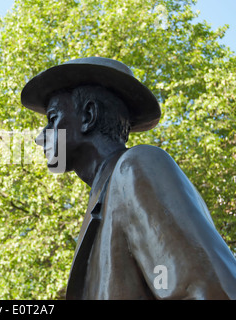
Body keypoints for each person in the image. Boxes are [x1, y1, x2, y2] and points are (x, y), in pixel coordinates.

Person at [20, 57, 236, 299]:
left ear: (88, 116)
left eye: (52, 119)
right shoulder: (105, 197)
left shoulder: (137, 167)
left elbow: (209, 290)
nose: (41, 137)